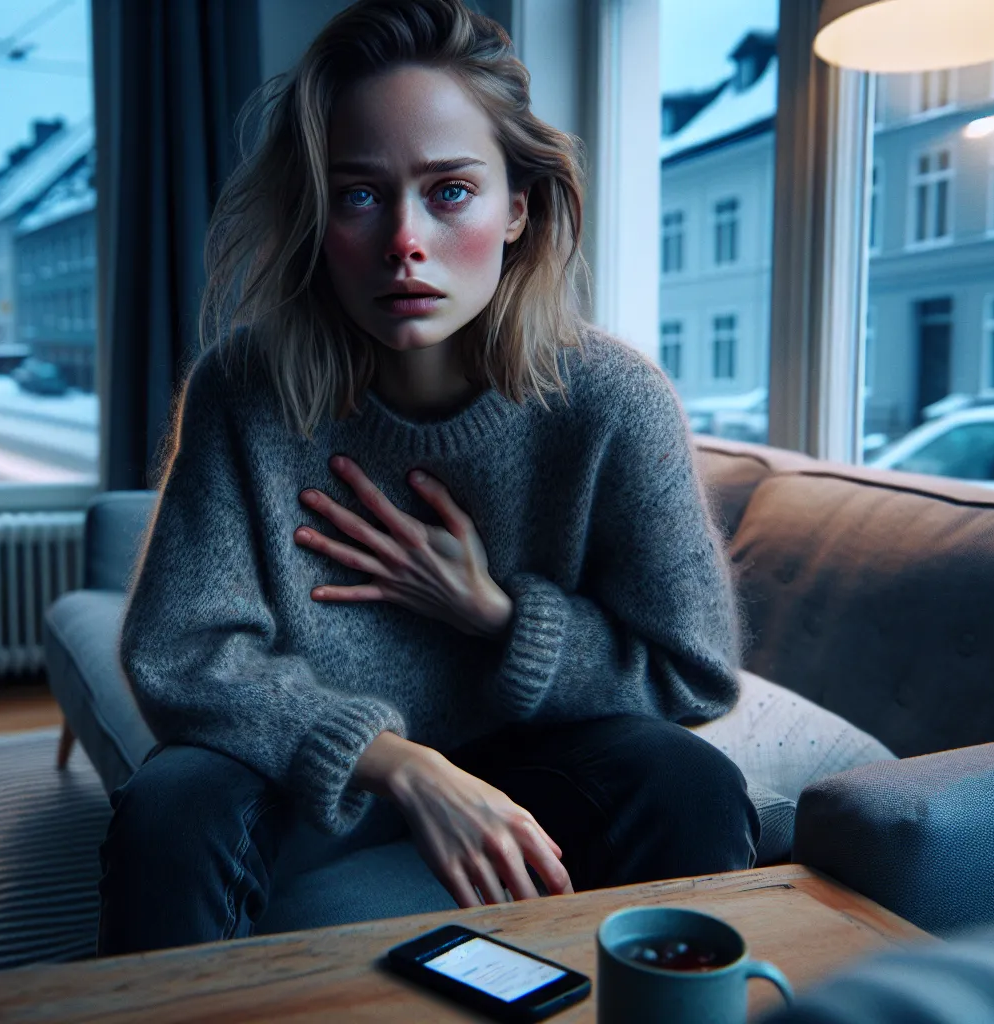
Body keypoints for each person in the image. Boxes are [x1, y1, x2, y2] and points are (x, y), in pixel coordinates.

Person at [98, 0, 757, 956]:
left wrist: (497, 616)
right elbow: (180, 656)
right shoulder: (244, 388)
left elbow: (692, 673)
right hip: (320, 766)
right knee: (172, 803)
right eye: (359, 195)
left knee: (685, 779)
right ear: (318, 219)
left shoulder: (612, 401)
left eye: (450, 191)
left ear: (518, 209)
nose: (404, 241)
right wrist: (401, 764)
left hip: (540, 751)